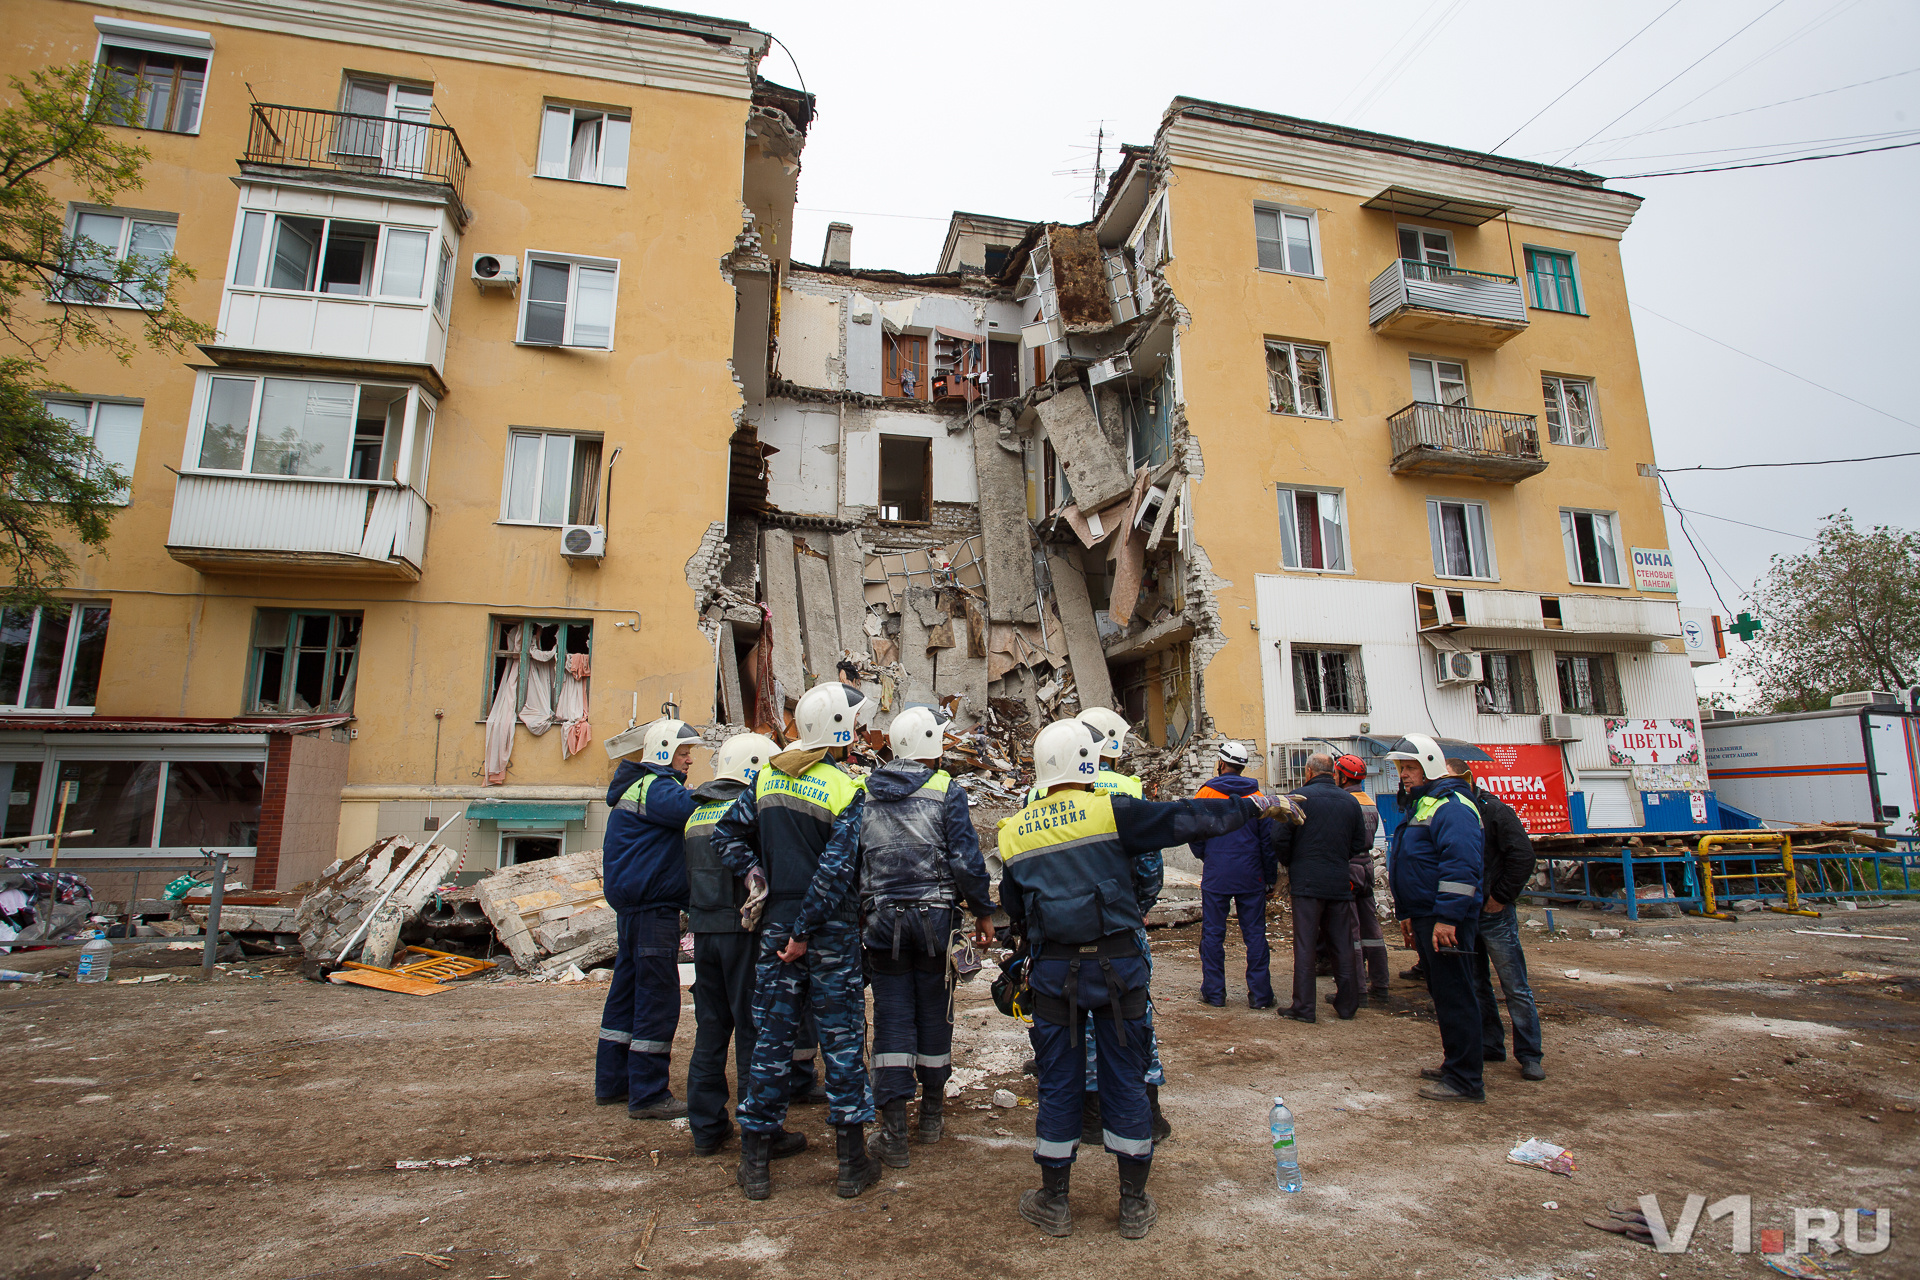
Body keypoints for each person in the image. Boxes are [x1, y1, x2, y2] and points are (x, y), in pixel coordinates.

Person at [1002, 718, 1296, 1240]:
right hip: (1118, 970)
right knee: (1125, 1077)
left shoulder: (1015, 831)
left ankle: (1054, 1200)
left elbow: (1015, 912)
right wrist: (1252, 805)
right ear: (1088, 765)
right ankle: (1133, 1203)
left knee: (1060, 1083)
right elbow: (1188, 820)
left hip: (1052, 975)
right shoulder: (1111, 812)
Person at [712, 681, 879, 1201]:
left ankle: (756, 1164)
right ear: (841, 732)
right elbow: (834, 874)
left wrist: (756, 876)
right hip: (824, 934)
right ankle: (852, 1165)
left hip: (776, 930)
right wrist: (805, 932)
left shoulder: (766, 780)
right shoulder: (847, 790)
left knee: (771, 1045)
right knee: (844, 1045)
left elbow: (724, 836)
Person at [858, 705, 996, 1167]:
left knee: (893, 1020)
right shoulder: (945, 790)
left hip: (882, 926)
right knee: (935, 1013)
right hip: (936, 924)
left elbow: (855, 861)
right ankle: (932, 1117)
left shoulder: (864, 792)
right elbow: (965, 860)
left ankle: (894, 1133)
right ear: (932, 746)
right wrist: (983, 912)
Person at [681, 731, 810, 1160]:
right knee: (754, 1034)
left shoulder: (695, 815)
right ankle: (762, 1131)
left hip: (704, 935)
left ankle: (705, 1129)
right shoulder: (748, 810)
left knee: (711, 1032)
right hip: (743, 934)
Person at [595, 716, 703, 1119]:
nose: (689, 760)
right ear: (663, 751)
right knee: (657, 999)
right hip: (653, 909)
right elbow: (692, 810)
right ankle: (648, 1094)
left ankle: (612, 1084)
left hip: (633, 911)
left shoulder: (638, 786)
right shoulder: (657, 787)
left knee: (625, 996)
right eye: (684, 752)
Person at [1386, 733, 1487, 1102]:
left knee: (1457, 995)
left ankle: (1466, 1080)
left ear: (1429, 764)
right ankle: (1455, 1063)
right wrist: (1410, 914)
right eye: (1400, 768)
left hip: (1446, 920)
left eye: (1410, 767)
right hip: (1427, 915)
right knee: (1444, 994)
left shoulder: (1453, 805)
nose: (1404, 775)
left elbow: (1461, 867)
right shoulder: (1425, 804)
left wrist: (1447, 918)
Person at [1444, 753, 1546, 1082]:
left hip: (1494, 915)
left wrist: (1500, 897)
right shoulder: (1452, 812)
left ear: (1466, 779)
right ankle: (1490, 1043)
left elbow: (1522, 854)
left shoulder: (1494, 810)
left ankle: (1530, 1054)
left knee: (1514, 985)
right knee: (1476, 984)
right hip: (1467, 914)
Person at [1273, 752, 1368, 1023]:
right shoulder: (1350, 802)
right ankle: (1348, 1004)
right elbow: (1359, 842)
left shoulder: (1298, 798)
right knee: (1342, 943)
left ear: (1309, 772)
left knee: (1305, 945)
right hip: (1339, 881)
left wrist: (1293, 861)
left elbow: (1279, 837)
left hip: (1306, 882)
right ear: (1334, 774)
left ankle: (1304, 1007)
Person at [1192, 742, 1284, 1009]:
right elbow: (1267, 842)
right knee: (1255, 934)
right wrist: (1269, 878)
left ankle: (1214, 993)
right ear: (1242, 767)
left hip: (1217, 874)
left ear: (1221, 763)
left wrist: (1207, 856)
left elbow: (1194, 833)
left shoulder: (1206, 793)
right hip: (1250, 875)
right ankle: (1260, 995)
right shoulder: (1257, 795)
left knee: (1212, 934)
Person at [1336, 753, 1392, 998]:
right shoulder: (1369, 802)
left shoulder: (1345, 803)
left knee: (1351, 931)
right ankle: (1381, 984)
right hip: (1367, 867)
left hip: (1349, 868)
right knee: (1372, 929)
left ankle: (1356, 990)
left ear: (1343, 777)